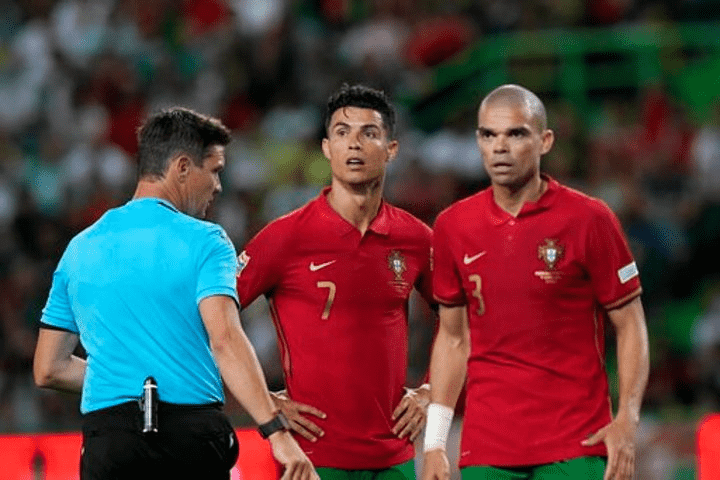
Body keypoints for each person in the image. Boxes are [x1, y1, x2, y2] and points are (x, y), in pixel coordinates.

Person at [33, 107, 317, 480]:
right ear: (182, 167)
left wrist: (127, 379)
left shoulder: (80, 248)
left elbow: (49, 368)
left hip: (109, 442)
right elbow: (225, 339)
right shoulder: (207, 241)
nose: (218, 186)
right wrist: (275, 430)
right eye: (214, 170)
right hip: (188, 439)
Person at [421, 84, 650, 480]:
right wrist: (435, 442)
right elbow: (452, 340)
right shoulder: (452, 226)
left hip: (575, 444)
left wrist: (627, 420)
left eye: (516, 134)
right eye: (488, 134)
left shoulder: (589, 219)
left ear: (545, 141)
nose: (499, 147)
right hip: (488, 449)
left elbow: (630, 324)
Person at [236, 83, 435, 479]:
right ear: (327, 149)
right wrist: (263, 401)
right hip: (311, 460)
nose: (354, 144)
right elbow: (211, 320)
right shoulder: (285, 237)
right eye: (342, 133)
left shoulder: (415, 238)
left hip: (395, 459)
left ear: (391, 150)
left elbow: (463, 321)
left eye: (369, 133)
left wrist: (431, 392)